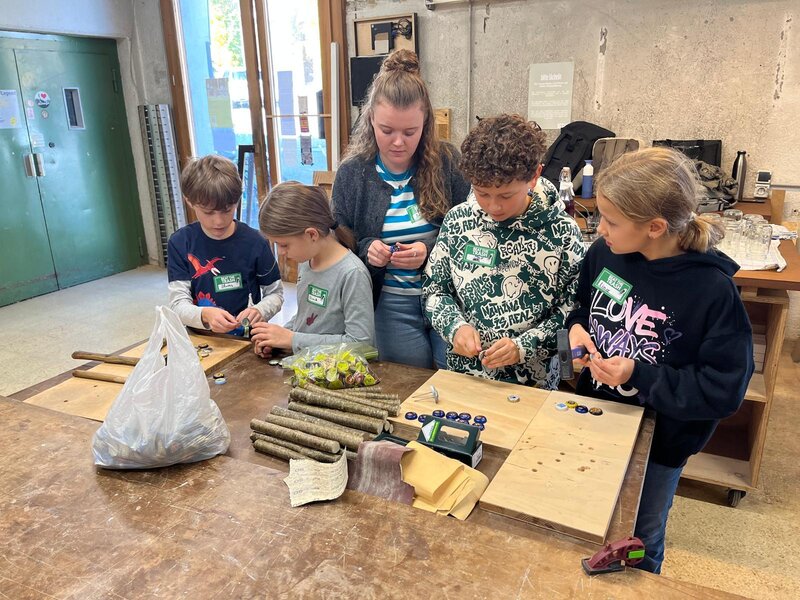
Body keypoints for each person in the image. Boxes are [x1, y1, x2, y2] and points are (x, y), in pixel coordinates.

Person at [565, 147, 754, 574]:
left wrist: (639, 374)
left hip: (660, 444)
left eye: (611, 221)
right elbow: (580, 307)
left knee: (639, 538)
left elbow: (722, 391)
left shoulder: (711, 292)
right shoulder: (606, 254)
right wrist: (577, 329)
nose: (601, 229)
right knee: (590, 519)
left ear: (655, 227)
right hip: (600, 417)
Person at [332, 49, 471, 369]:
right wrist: (368, 249)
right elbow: (337, 242)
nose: (398, 142)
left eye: (410, 132)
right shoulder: (353, 173)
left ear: (426, 123)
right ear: (370, 121)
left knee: (455, 381)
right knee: (410, 384)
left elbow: (471, 230)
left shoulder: (447, 162)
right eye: (386, 130)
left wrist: (429, 249)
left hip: (450, 303)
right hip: (389, 306)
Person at [423, 114, 586, 388]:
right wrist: (455, 327)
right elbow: (434, 290)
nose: (494, 207)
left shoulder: (562, 232)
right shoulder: (457, 222)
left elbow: (573, 309)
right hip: (467, 377)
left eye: (506, 196)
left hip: (535, 384)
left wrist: (523, 345)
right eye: (482, 193)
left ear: (534, 176)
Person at [250, 182, 374, 355]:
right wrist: (276, 339)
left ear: (311, 234)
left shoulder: (352, 274)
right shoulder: (306, 261)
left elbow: (362, 345)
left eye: (284, 245)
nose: (282, 253)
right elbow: (307, 319)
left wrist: (292, 340)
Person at [167, 155, 283, 335]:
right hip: (202, 339)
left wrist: (259, 311)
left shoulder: (255, 242)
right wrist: (204, 314)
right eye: (208, 212)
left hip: (247, 338)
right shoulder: (180, 243)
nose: (219, 221)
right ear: (189, 201)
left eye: (227, 210)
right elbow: (177, 304)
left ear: (238, 200)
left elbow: (275, 294)